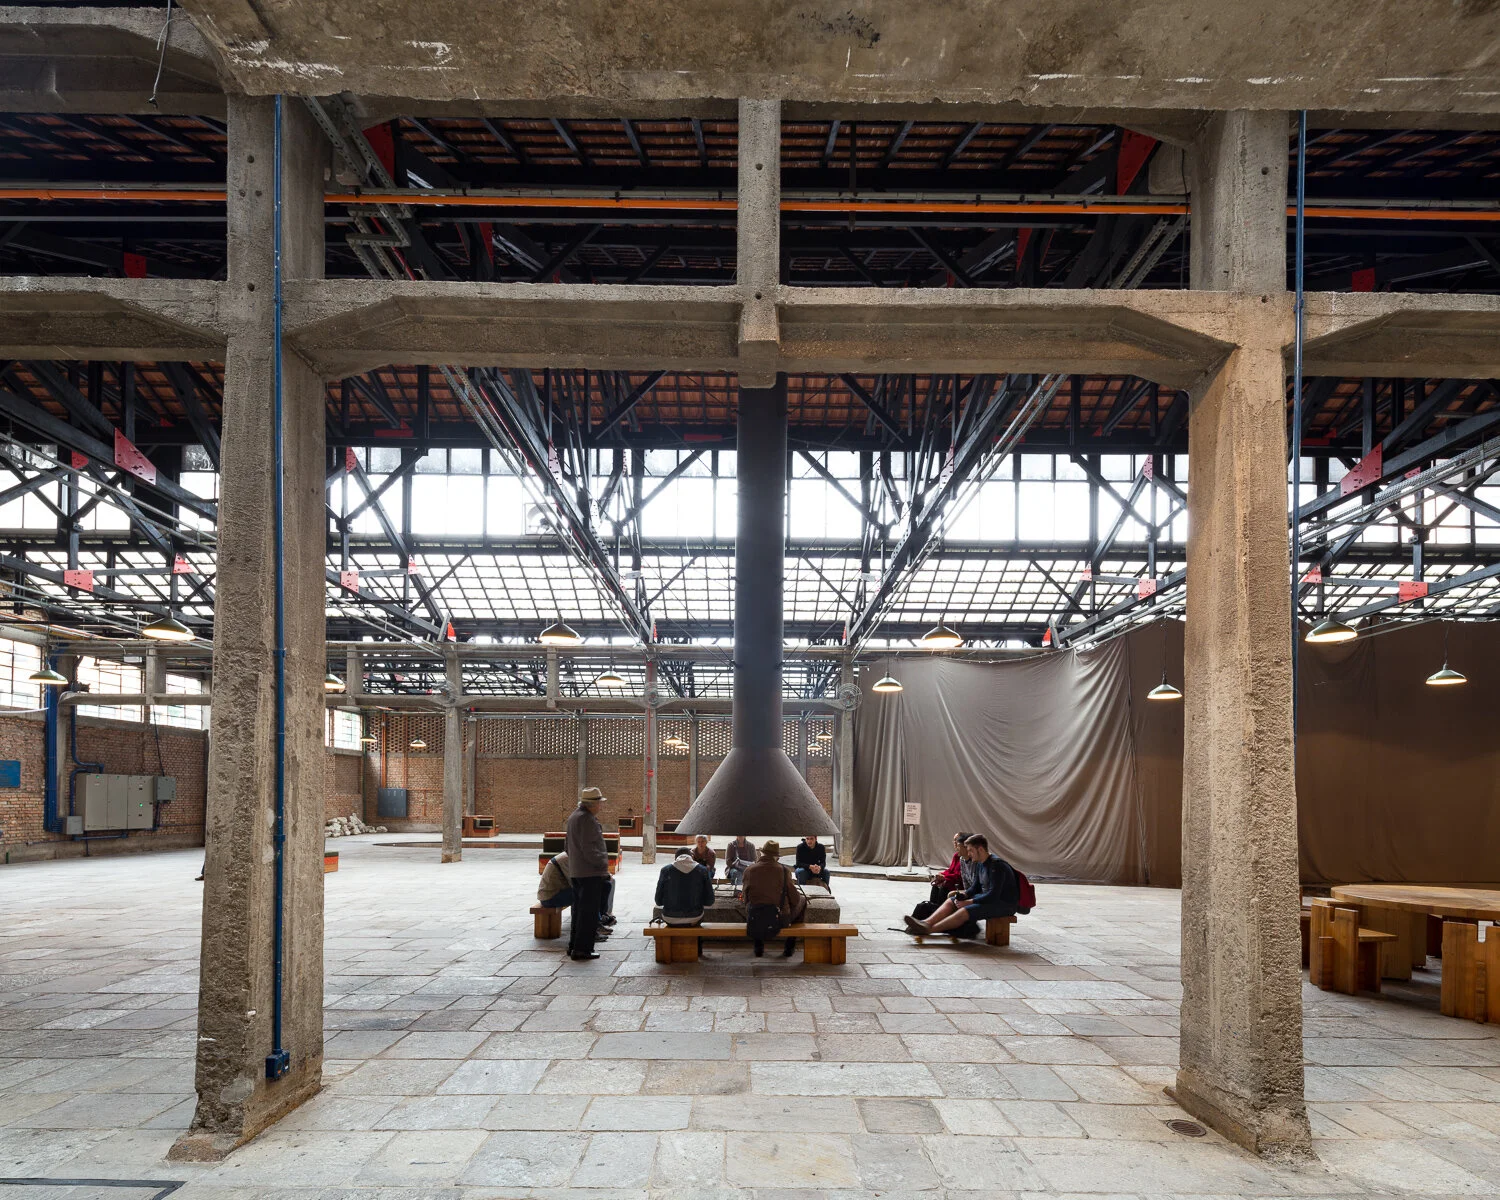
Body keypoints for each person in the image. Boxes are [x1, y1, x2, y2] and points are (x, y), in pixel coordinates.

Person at [904, 834, 1019, 937]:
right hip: (990, 900)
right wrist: (963, 896)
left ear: (980, 849)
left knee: (964, 910)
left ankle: (930, 930)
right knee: (951, 901)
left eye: (971, 850)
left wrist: (969, 902)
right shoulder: (980, 864)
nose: (968, 854)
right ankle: (926, 923)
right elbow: (974, 888)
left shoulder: (997, 866)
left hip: (1004, 904)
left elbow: (993, 895)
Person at [564, 786, 610, 961]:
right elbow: (591, 849)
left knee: (578, 912)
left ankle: (574, 947)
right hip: (590, 873)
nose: (601, 806)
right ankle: (583, 949)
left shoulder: (574, 817)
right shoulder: (587, 819)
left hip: (576, 871)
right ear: (592, 804)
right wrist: (602, 866)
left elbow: (567, 846)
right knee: (588, 913)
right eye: (599, 803)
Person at [741, 839, 807, 958]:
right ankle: (789, 947)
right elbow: (795, 899)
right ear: (776, 857)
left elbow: (745, 899)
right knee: (802, 900)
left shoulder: (749, 870)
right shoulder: (783, 871)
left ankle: (758, 947)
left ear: (761, 853)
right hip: (779, 919)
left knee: (756, 907)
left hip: (754, 918)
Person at [538, 851, 615, 940]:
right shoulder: (567, 859)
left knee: (606, 885)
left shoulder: (576, 857)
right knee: (587, 894)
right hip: (551, 896)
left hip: (562, 891)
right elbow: (576, 883)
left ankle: (600, 918)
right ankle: (593, 928)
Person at [656, 848, 715, 926]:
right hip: (695, 917)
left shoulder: (665, 870)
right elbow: (710, 901)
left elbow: (658, 901)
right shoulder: (702, 870)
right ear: (692, 857)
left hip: (670, 917)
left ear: (675, 858)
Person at [927, 831, 971, 905]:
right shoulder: (957, 856)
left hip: (958, 883)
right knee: (936, 885)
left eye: (956, 841)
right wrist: (941, 874)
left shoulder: (968, 859)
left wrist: (944, 877)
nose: (955, 843)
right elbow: (951, 870)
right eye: (954, 841)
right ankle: (932, 907)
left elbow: (960, 877)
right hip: (953, 880)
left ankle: (938, 909)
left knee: (944, 886)